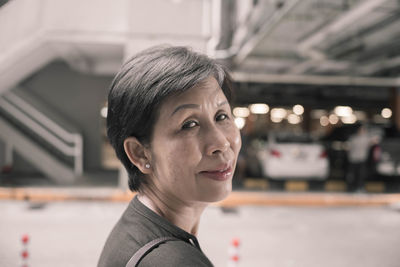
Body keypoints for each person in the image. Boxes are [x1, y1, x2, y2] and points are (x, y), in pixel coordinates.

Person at [98, 45, 241, 267]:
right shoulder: (172, 261)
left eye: (222, 116)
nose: (221, 143)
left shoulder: (136, 228)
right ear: (140, 153)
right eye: (189, 124)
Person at [346, 124, 372, 192]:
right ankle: (351, 187)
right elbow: (348, 147)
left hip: (362, 159)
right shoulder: (353, 138)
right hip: (353, 159)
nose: (362, 131)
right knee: (352, 174)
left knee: (361, 175)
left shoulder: (366, 138)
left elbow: (375, 140)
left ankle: (360, 187)